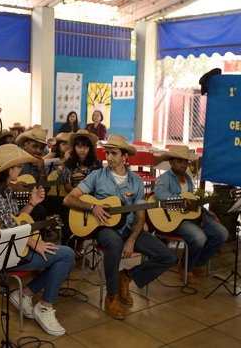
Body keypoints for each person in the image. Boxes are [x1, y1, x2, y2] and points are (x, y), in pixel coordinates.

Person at [63, 134, 176, 319]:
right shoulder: (96, 176)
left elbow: (140, 215)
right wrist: (93, 207)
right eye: (107, 153)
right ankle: (112, 295)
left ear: (125, 157)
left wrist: (132, 239)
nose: (108, 157)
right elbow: (69, 199)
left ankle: (127, 276)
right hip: (105, 228)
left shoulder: (136, 182)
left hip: (130, 228)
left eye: (114, 153)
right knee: (114, 244)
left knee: (168, 257)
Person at [0, 144, 75, 336]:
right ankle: (43, 305)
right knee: (67, 256)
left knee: (65, 257)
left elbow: (14, 220)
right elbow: (11, 229)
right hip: (3, 253)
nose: (21, 170)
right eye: (18, 166)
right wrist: (34, 243)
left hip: (14, 245)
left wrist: (31, 204)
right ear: (8, 170)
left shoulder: (4, 190)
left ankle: (26, 294)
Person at [153, 145, 228, 284]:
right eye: (179, 161)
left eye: (185, 161)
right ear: (171, 162)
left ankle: (197, 263)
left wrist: (208, 213)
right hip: (174, 219)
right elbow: (160, 194)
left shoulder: (188, 179)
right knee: (199, 237)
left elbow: (192, 201)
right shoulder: (165, 178)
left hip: (191, 216)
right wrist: (181, 201)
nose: (183, 164)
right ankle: (185, 267)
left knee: (222, 233)